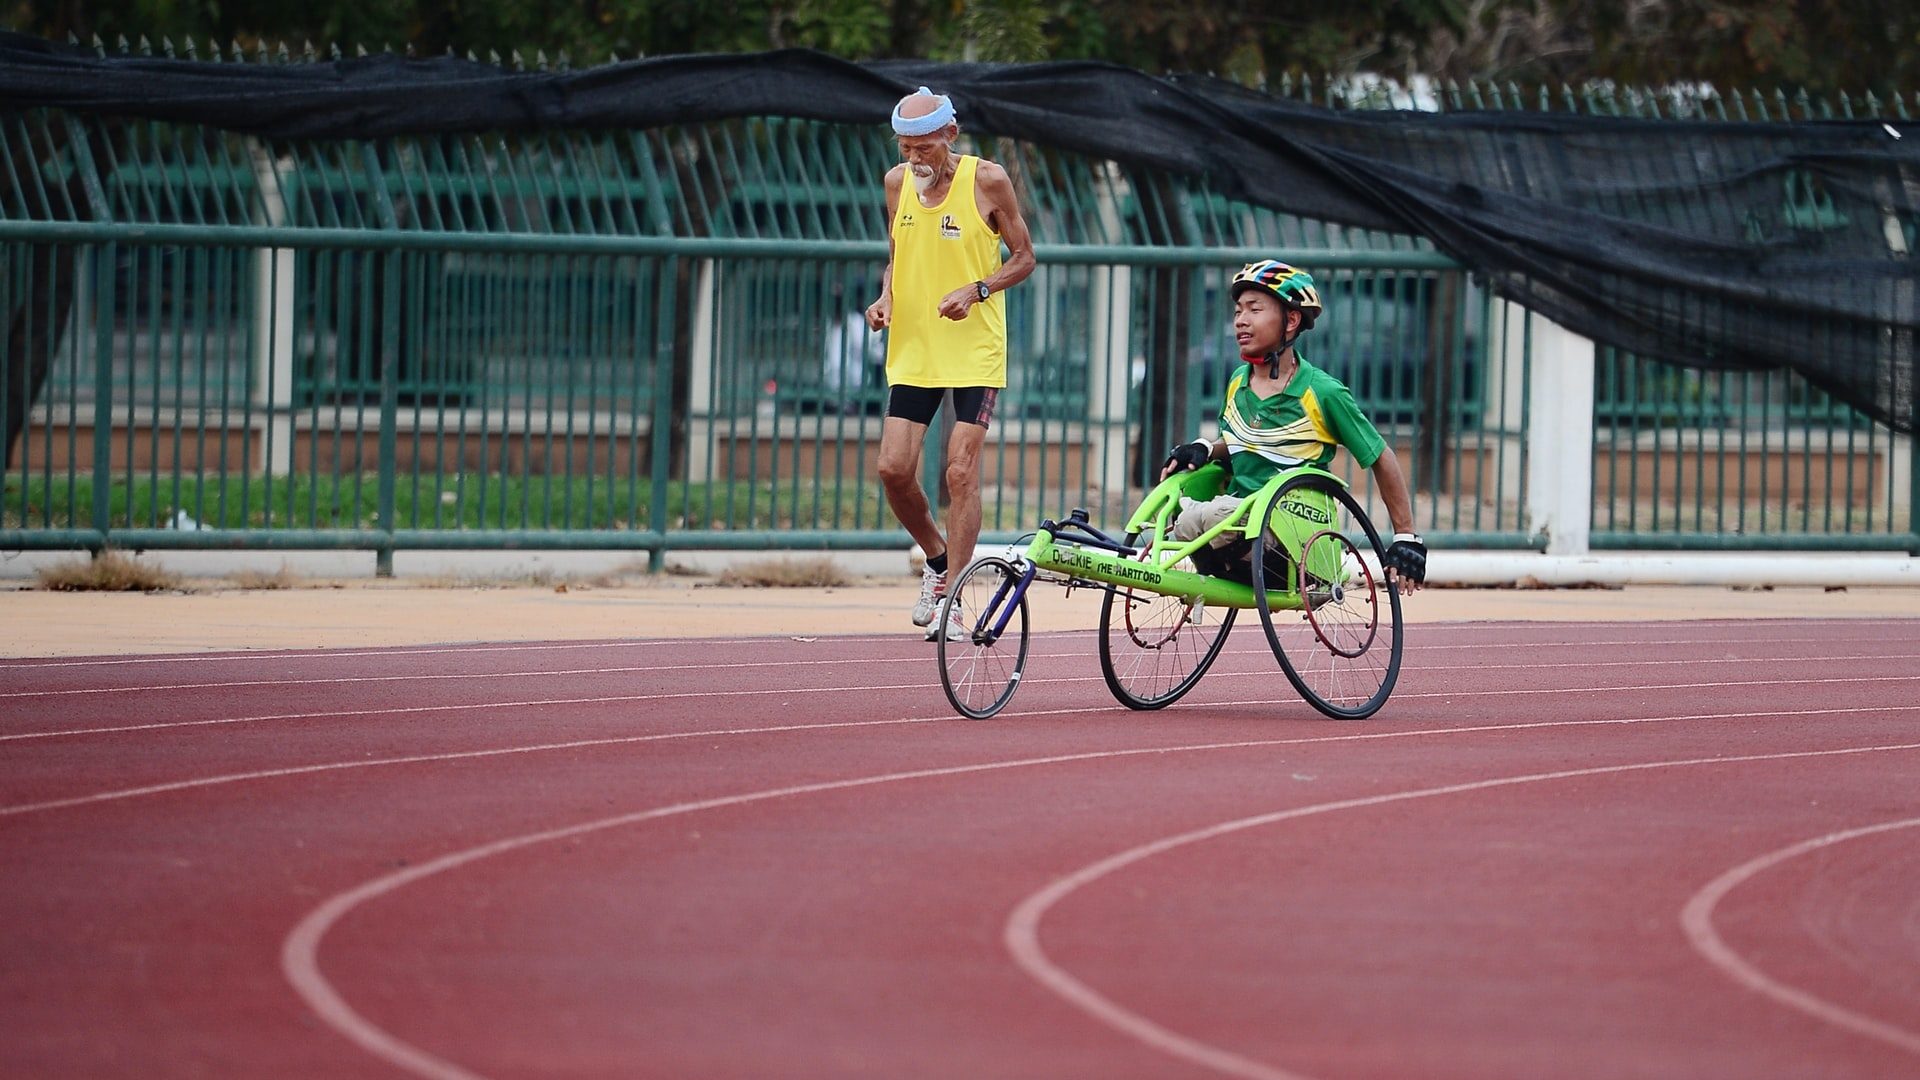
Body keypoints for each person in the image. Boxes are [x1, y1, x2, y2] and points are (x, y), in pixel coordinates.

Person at [865, 86, 1037, 640]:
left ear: (950, 136)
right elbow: (897, 255)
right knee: (893, 470)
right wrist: (887, 296)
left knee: (959, 470)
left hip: (973, 349)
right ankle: (937, 561)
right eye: (905, 148)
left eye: (923, 148)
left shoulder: (987, 180)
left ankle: (956, 600)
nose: (913, 160)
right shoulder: (896, 184)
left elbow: (1025, 257)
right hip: (914, 348)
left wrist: (978, 289)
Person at [1159, 260, 1428, 594]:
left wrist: (1406, 537)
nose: (1241, 320)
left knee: (1212, 517)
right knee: (1177, 516)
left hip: (1291, 540)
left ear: (1291, 320)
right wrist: (1204, 448)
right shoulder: (1237, 383)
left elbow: (1381, 456)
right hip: (1237, 530)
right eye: (1238, 310)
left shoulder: (1323, 392)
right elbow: (1247, 443)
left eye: (1254, 309)